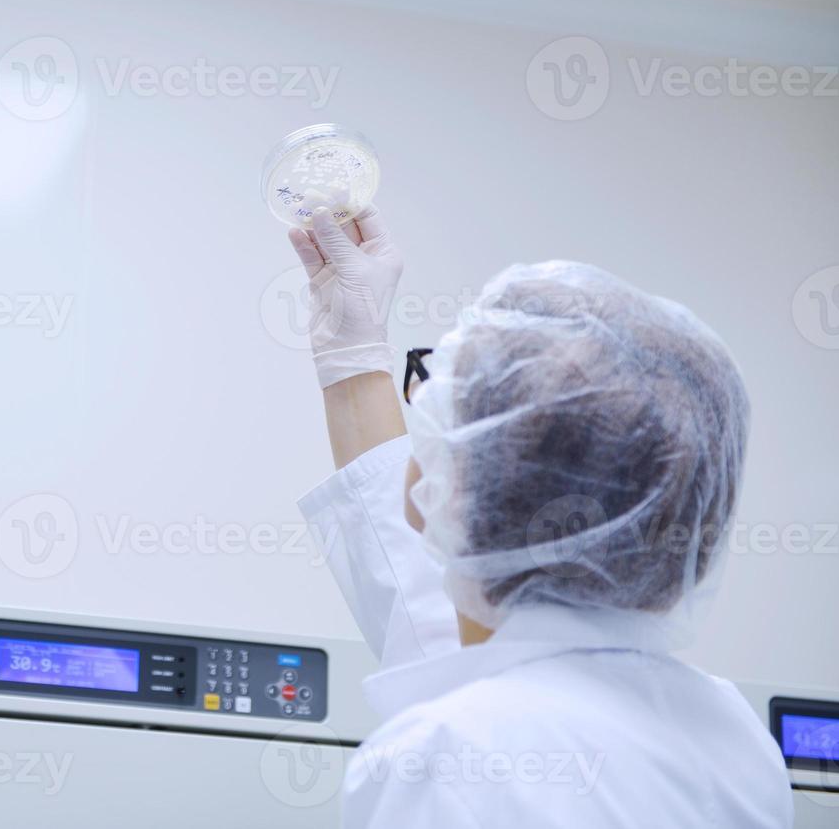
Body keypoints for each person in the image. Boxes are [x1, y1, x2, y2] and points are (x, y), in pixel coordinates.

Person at [287, 206, 793, 825]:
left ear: (446, 492)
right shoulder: (735, 742)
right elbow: (430, 616)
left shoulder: (448, 758)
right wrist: (352, 355)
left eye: (438, 402)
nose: (420, 407)